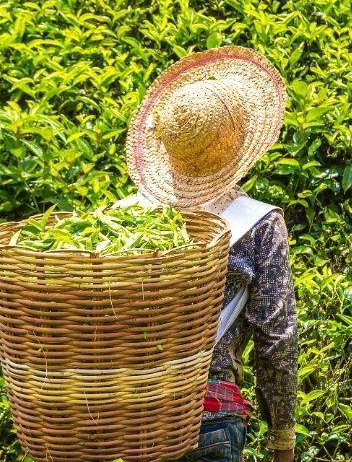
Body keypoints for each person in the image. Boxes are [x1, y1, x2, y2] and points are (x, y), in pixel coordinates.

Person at [125, 46, 298, 462]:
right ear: (239, 146)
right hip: (208, 417)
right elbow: (277, 339)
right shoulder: (257, 224)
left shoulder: (126, 223)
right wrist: (283, 440)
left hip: (125, 418)